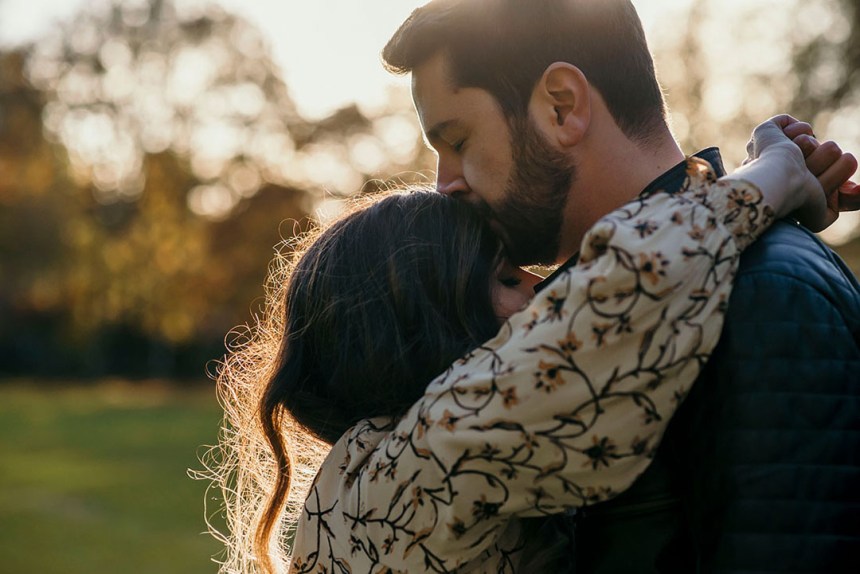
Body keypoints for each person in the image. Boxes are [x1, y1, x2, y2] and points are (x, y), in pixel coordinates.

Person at [207, 115, 850, 573]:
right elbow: (624, 290)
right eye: (507, 277)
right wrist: (772, 175)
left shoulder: (374, 470)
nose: (547, 292)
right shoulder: (432, 457)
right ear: (423, 324)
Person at [379, 0, 860, 571]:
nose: (444, 185)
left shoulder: (757, 294)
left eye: (457, 141)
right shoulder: (558, 324)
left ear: (562, 106)